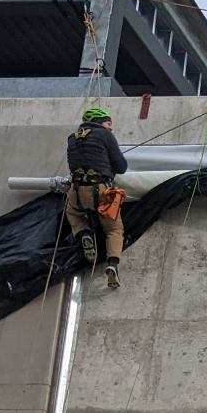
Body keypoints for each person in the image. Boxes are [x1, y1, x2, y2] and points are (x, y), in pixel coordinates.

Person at [63, 105, 128, 288]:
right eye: (109, 123)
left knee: (74, 214)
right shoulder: (105, 135)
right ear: (99, 123)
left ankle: (83, 233)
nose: (111, 128)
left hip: (76, 192)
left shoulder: (71, 139)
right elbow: (121, 166)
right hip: (101, 191)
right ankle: (112, 264)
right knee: (114, 229)